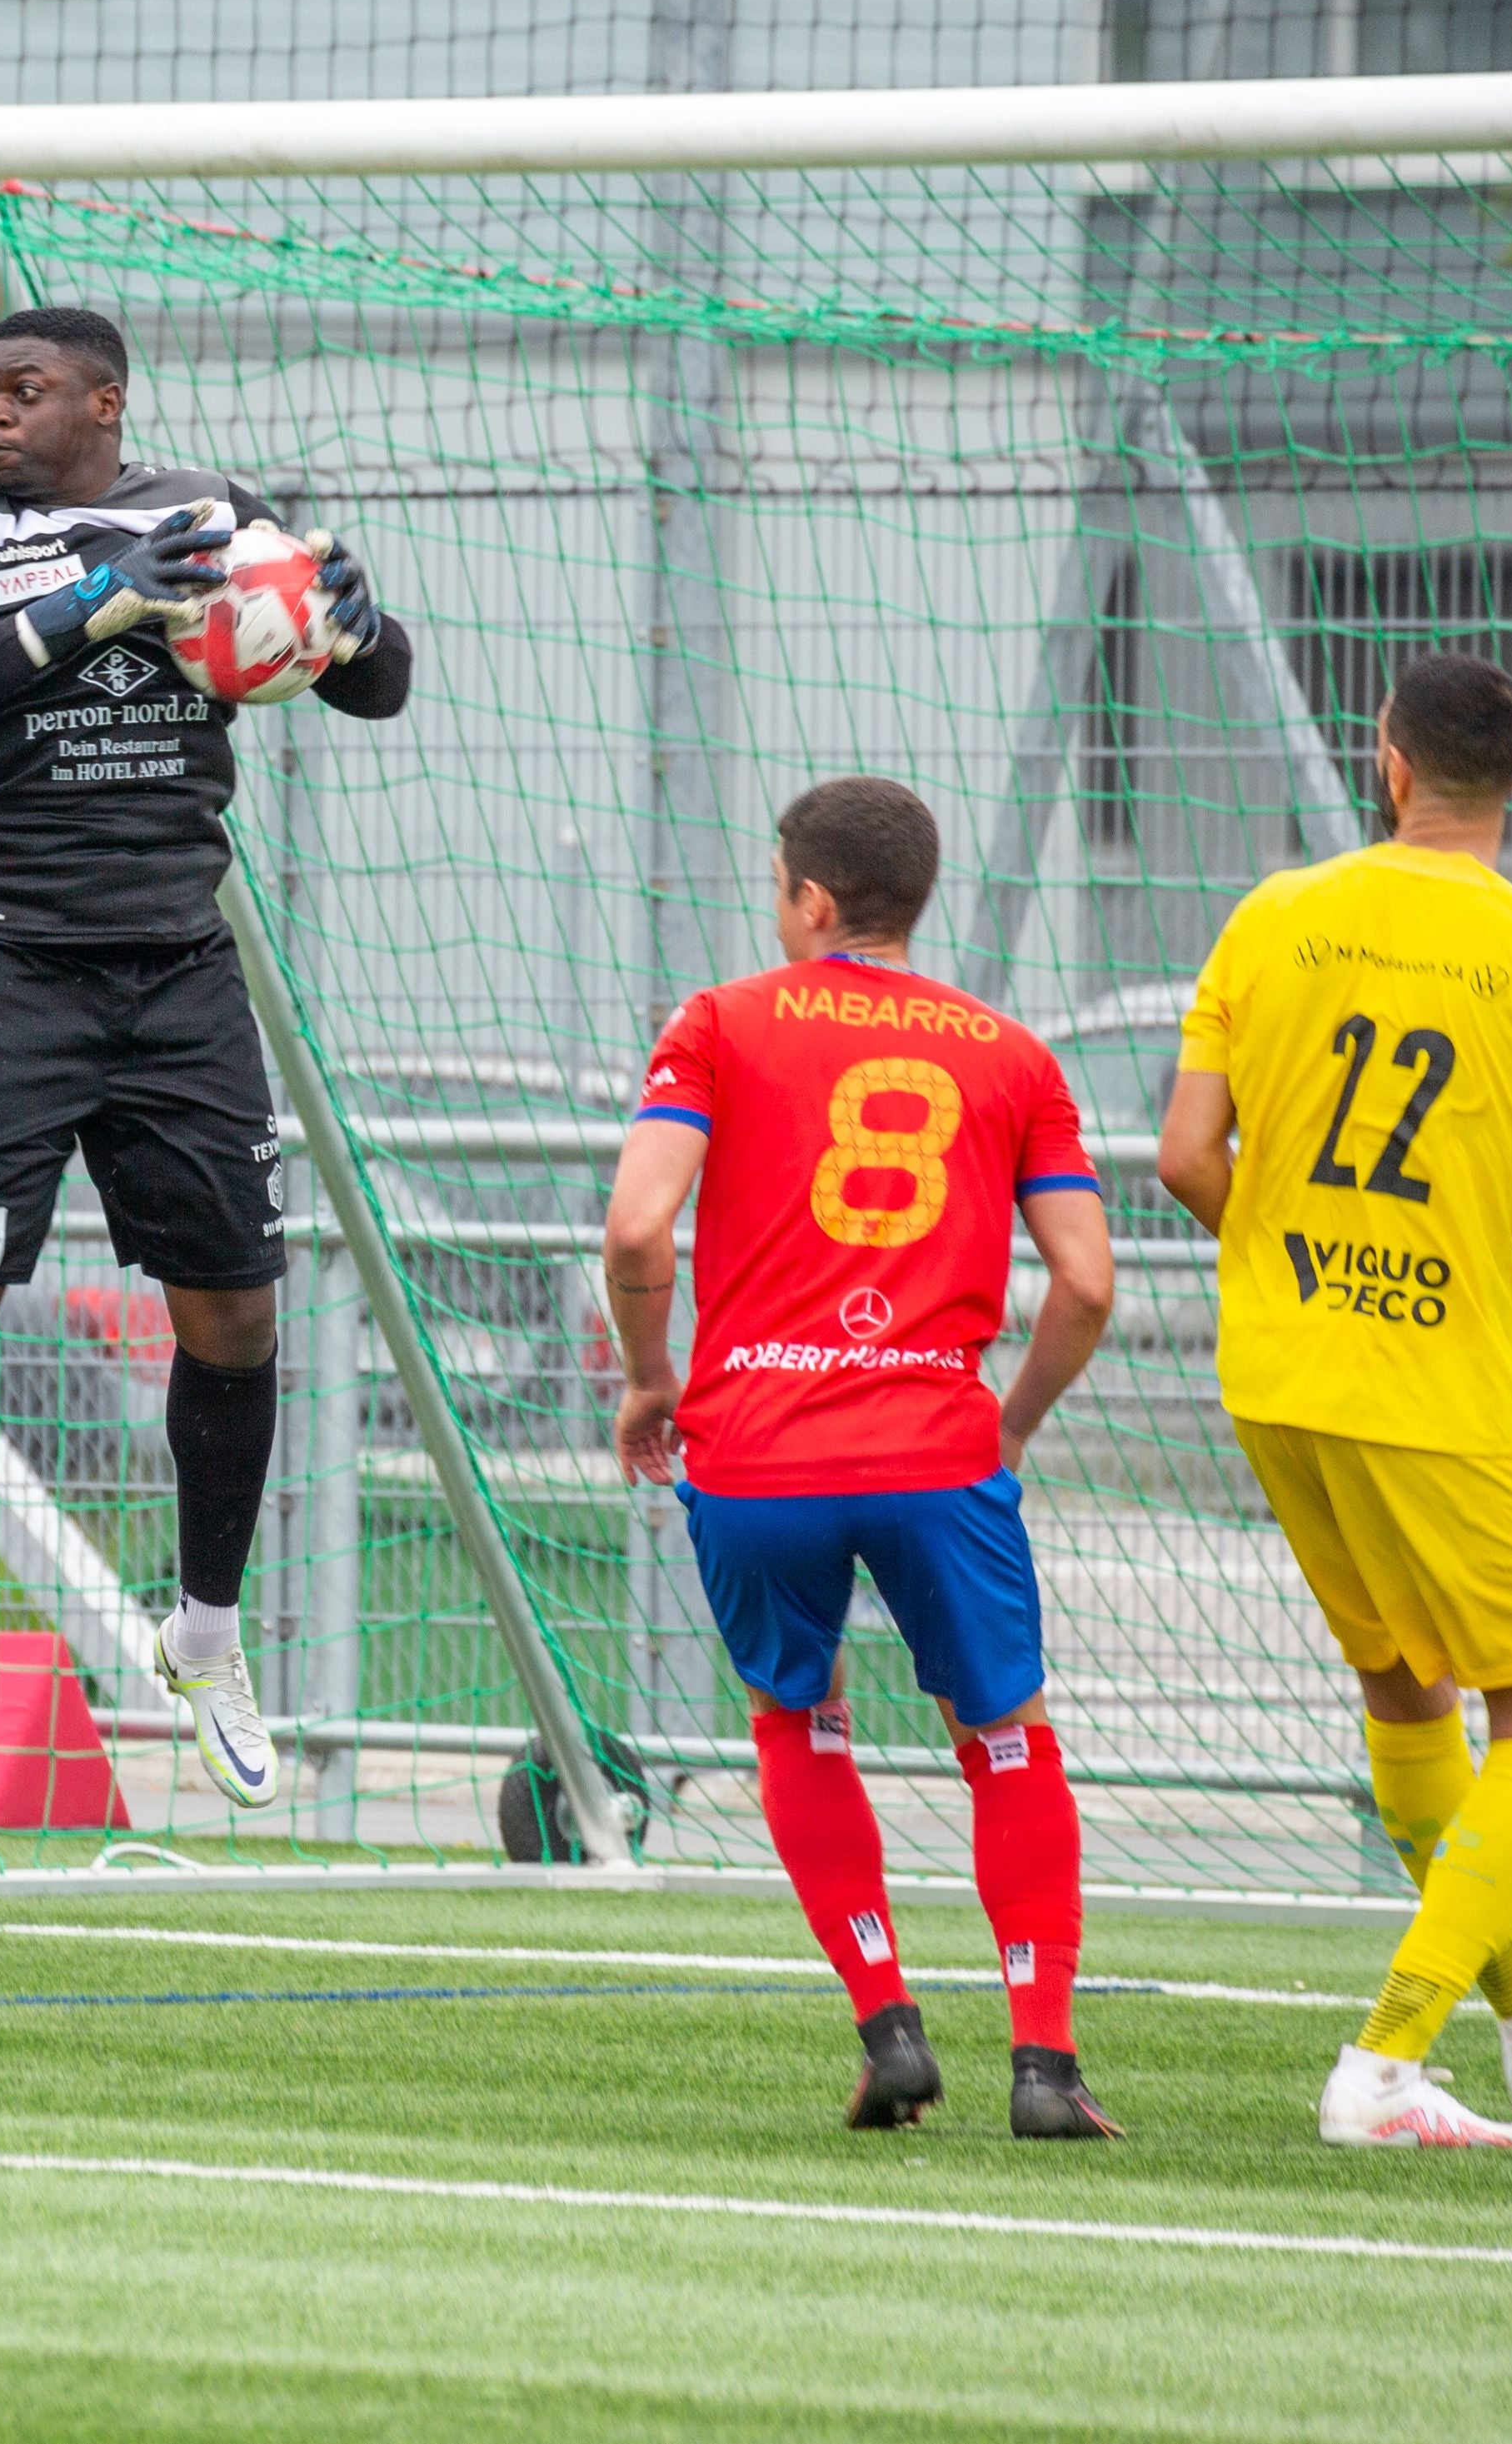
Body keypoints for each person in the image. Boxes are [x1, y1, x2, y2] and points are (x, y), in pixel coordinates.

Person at [0, 304, 416, 1812]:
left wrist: (351, 613)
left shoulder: (210, 514)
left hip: (177, 973)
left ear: (105, 400)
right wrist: (86, 606)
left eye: (24, 392)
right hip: (1, 969)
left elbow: (376, 681)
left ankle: (203, 1633)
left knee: (230, 1316)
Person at [1155, 655, 1512, 2150]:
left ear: (1382, 764)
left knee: (1400, 1690)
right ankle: (1382, 2056)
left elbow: (1185, 1155)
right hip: (1432, 1385)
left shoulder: (1270, 912)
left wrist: (1287, 1255)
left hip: (1273, 1372)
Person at [602, 778, 1124, 2139]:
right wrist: (1006, 1420)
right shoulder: (1010, 1054)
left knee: (801, 1717)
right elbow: (1082, 1281)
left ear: (810, 902)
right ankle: (1043, 2063)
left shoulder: (716, 1021)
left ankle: (887, 2023)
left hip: (754, 1449)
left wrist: (651, 1377)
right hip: (932, 1448)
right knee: (1003, 1739)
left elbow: (634, 1233)